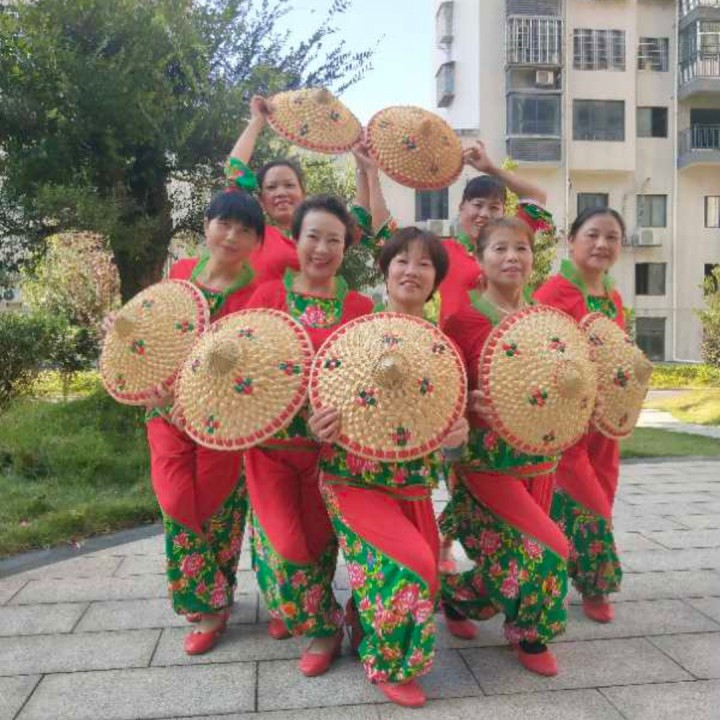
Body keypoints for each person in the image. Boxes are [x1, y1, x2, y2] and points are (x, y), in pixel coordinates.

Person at [310, 227, 469, 708]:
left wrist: (456, 440)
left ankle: (359, 618)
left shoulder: (444, 352)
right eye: (402, 260)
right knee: (412, 567)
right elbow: (318, 405)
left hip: (412, 484)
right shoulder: (353, 333)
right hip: (352, 478)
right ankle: (390, 664)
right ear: (385, 269)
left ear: (436, 279)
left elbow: (452, 450)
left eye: (424, 263)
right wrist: (318, 426)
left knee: (422, 578)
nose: (411, 271)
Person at [243, 195, 374, 677]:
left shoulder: (359, 307)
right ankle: (324, 626)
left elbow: (369, 383)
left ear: (345, 248)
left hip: (330, 452)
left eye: (333, 240)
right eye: (312, 237)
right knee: (285, 547)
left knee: (320, 545)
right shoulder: (267, 298)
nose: (321, 249)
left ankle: (318, 618)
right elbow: (238, 365)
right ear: (294, 240)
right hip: (270, 449)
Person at [440, 217, 570, 676]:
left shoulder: (548, 320)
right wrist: (466, 405)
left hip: (539, 460)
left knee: (513, 557)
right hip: (485, 463)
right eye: (499, 248)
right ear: (479, 259)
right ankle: (530, 635)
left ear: (533, 257)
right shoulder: (462, 322)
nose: (512, 256)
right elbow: (439, 394)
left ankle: (455, 596)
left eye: (521, 248)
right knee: (548, 547)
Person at [145, 190, 265, 654]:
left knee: (218, 508)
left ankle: (213, 606)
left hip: (222, 421)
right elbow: (156, 337)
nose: (232, 236)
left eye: (245, 230)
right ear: (207, 225)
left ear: (257, 241)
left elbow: (255, 369)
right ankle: (207, 593)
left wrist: (204, 400)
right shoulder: (179, 275)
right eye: (224, 224)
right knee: (176, 500)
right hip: (166, 412)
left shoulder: (259, 296)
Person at [534, 208, 627, 624]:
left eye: (612, 237)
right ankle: (595, 583)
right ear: (571, 241)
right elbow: (535, 355)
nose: (602, 244)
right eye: (592, 235)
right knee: (586, 500)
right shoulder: (552, 294)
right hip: (567, 420)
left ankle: (579, 573)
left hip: (606, 421)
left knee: (603, 492)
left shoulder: (613, 296)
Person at [226, 96, 393, 284]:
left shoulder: (325, 236)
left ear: (303, 194)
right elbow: (234, 172)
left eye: (289, 185)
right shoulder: (254, 234)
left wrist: (365, 170)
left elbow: (360, 219)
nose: (281, 192)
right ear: (261, 199)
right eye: (271, 187)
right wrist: (257, 121)